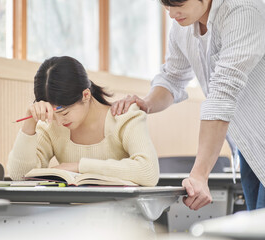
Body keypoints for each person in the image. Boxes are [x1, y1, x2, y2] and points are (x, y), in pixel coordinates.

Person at [111, 0, 265, 210]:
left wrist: (200, 175)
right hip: (250, 145)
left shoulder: (243, 11)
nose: (172, 14)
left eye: (178, 4)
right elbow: (172, 78)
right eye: (166, 6)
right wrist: (146, 103)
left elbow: (222, 94)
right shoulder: (184, 23)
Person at [7, 56, 159, 186]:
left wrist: (79, 167)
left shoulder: (125, 117)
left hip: (124, 215)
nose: (59, 122)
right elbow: (20, 176)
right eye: (53, 115)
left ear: (86, 95)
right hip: (69, 216)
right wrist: (30, 124)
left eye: (64, 112)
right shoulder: (51, 126)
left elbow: (148, 171)